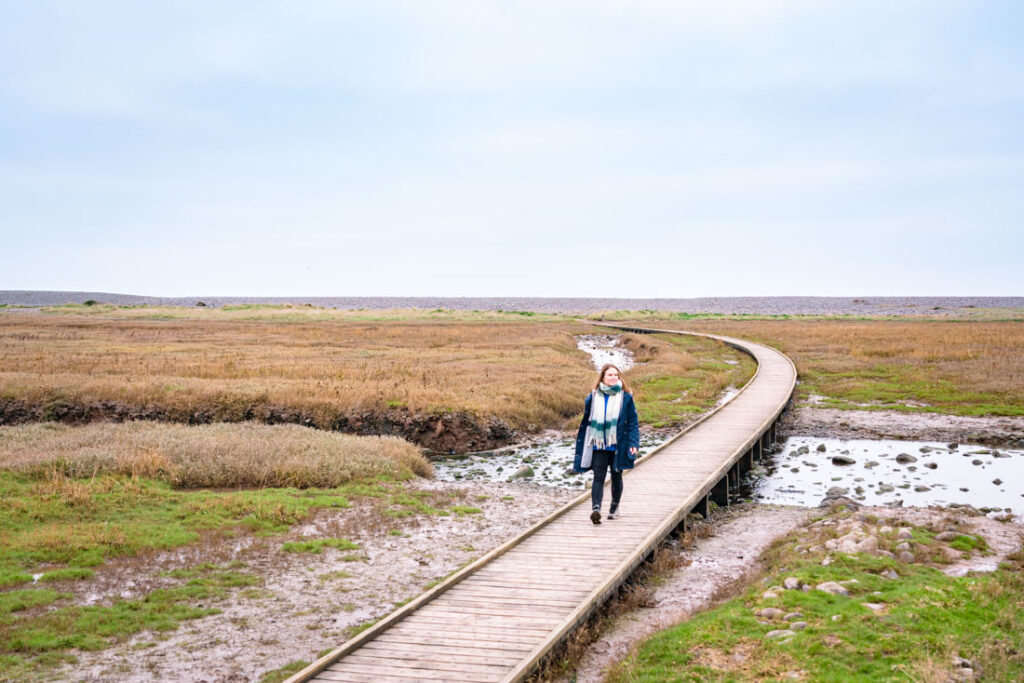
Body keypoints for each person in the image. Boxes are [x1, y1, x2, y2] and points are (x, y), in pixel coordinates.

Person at [573, 363, 639, 524]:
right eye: (610, 375)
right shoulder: (593, 396)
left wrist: (633, 442)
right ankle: (596, 509)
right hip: (599, 444)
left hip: (618, 443)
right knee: (598, 477)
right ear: (603, 377)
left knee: (616, 476)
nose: (613, 377)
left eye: (616, 375)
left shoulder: (626, 397)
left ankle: (614, 507)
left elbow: (632, 422)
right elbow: (587, 421)